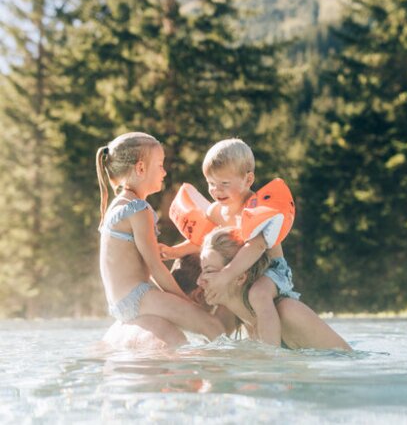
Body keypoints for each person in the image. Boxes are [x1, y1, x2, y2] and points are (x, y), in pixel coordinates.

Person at [164, 138, 297, 347]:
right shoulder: (215, 211)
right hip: (238, 273)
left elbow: (257, 247)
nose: (216, 191)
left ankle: (272, 352)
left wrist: (226, 275)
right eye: (211, 184)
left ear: (248, 179)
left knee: (258, 295)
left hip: (270, 271)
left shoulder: (254, 209)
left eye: (224, 184)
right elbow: (203, 240)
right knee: (221, 306)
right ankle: (219, 349)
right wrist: (173, 252)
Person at [96, 132, 224, 346]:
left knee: (194, 322)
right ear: (141, 168)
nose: (164, 172)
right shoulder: (138, 208)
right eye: (160, 165)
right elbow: (155, 267)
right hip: (137, 297)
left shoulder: (117, 207)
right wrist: (185, 303)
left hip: (120, 302)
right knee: (212, 326)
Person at [198, 227, 351, 351]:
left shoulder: (289, 313)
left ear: (239, 277)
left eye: (209, 271)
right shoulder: (239, 321)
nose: (199, 281)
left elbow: (345, 362)